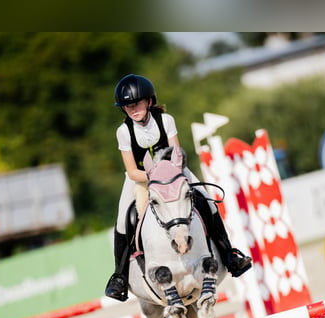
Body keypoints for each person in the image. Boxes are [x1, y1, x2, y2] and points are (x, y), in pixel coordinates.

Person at [104, 74, 252, 301]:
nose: (132, 109)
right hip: (141, 179)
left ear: (149, 101)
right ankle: (120, 276)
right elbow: (133, 171)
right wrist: (153, 177)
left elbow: (176, 155)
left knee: (205, 200)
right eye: (127, 106)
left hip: (174, 173)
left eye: (136, 103)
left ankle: (229, 254)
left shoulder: (166, 120)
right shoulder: (123, 131)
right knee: (124, 218)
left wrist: (168, 176)